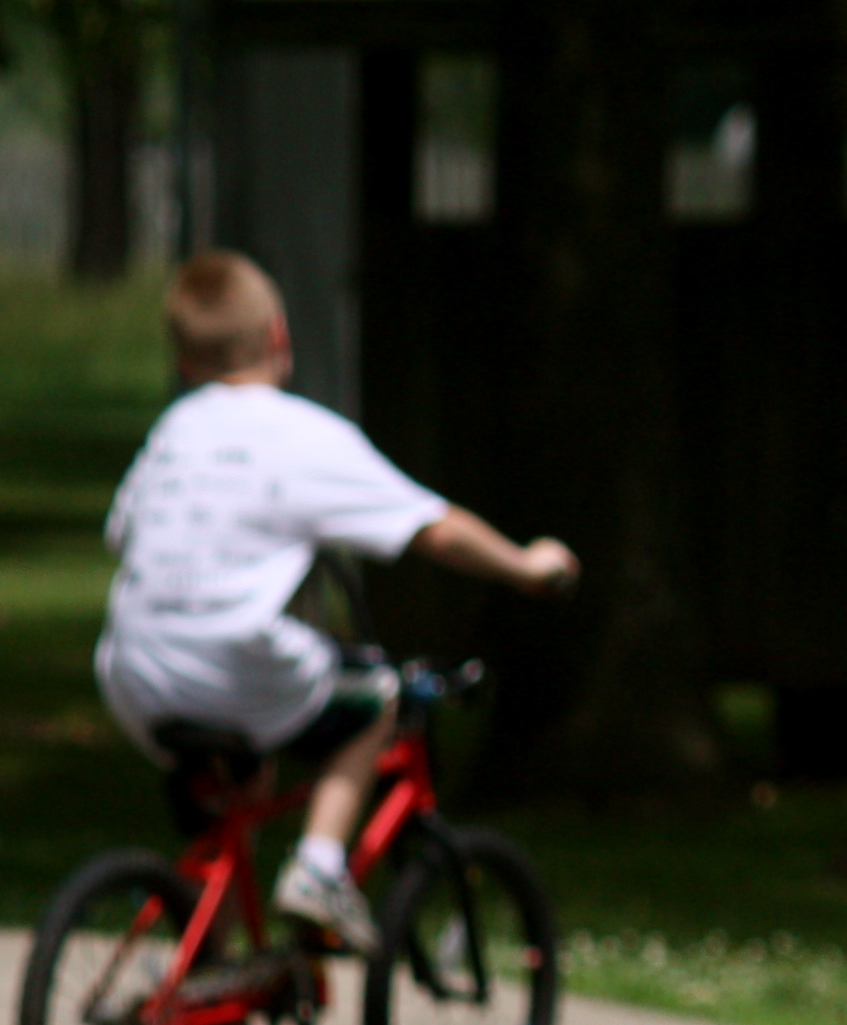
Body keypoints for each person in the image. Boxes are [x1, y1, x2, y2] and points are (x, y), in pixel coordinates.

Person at [93, 250, 577, 954]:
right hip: (233, 660)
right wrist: (529, 567)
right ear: (279, 336)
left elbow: (122, 532)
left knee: (240, 790)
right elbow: (434, 530)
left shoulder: (172, 431)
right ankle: (320, 871)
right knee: (375, 697)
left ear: (186, 361)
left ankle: (204, 971)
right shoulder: (303, 436)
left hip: (133, 667)